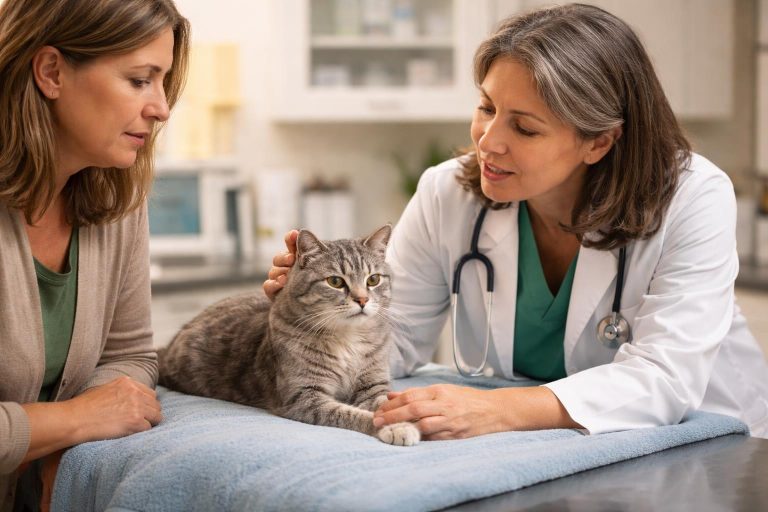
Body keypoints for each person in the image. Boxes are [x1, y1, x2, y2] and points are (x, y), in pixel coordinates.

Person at [264, 3, 768, 440]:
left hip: (713, 443)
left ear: (599, 141)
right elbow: (392, 339)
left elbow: (666, 379)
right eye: (486, 107)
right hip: (549, 452)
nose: (488, 141)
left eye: (524, 127)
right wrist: (309, 324)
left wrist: (497, 410)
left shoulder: (692, 196)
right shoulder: (447, 193)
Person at [0, 0, 189, 509]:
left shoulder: (117, 200)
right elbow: (96, 409)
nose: (161, 107)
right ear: (51, 72)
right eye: (138, 80)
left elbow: (128, 356)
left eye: (162, 81)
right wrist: (73, 423)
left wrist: (67, 445)